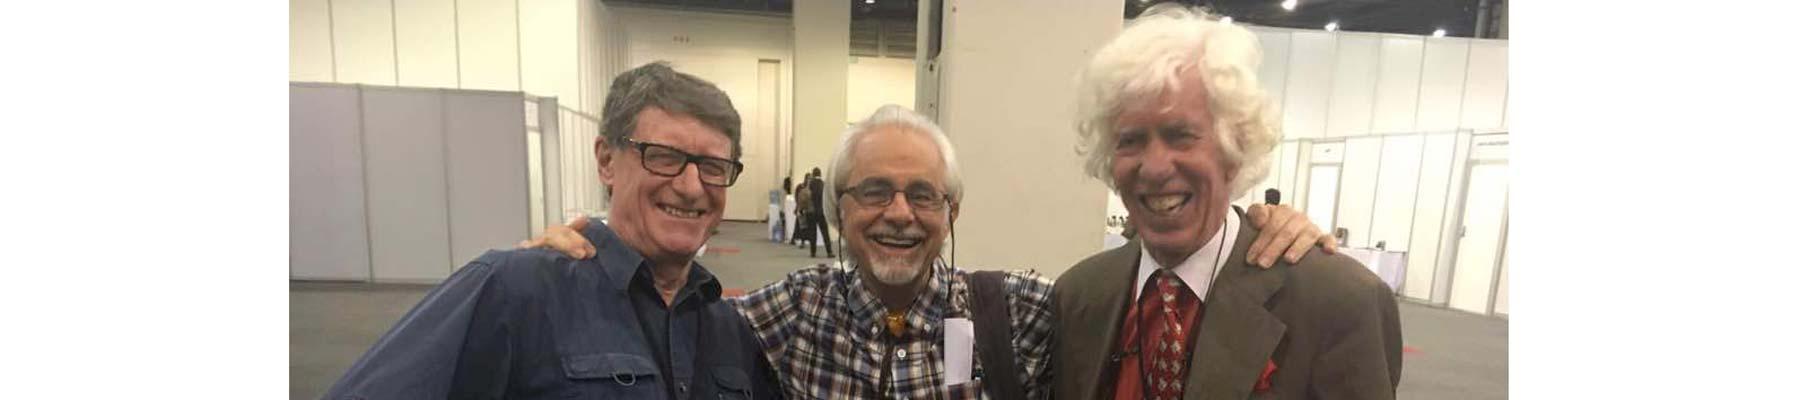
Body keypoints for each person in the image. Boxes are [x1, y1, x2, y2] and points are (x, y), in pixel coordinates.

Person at [526, 105, 1334, 399]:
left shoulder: (1024, 309)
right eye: (873, 192)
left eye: (923, 196)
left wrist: (1256, 229)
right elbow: (667, 308)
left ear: (953, 211)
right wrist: (579, 256)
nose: (899, 216)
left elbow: (1162, 296)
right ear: (837, 209)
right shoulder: (782, 313)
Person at [325, 62, 783, 399]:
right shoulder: (512, 289)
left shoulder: (731, 331)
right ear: (606, 161)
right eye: (663, 156)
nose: (690, 186)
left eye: (713, 166)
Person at [1050, 6, 1403, 399]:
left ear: (1235, 150)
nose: (1153, 167)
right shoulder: (1077, 296)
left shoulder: (1339, 303)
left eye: (1180, 135)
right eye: (1130, 140)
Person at [806, 166, 835, 258]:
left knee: (812, 232)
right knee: (825, 232)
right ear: (820, 174)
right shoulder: (823, 184)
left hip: (811, 212)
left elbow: (807, 197)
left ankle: (813, 252)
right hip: (821, 211)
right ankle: (829, 251)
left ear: (813, 174)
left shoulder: (810, 185)